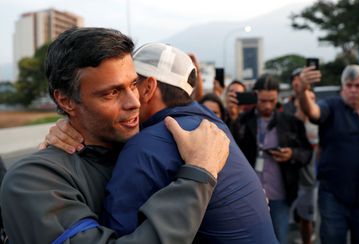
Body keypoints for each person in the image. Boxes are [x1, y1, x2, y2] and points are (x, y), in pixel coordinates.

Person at [0, 27, 231, 244]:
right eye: (111, 93)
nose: (134, 102)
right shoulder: (32, 181)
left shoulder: (149, 150)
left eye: (133, 85)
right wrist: (199, 175)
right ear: (66, 101)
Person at [47, 42, 278, 243]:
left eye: (130, 84)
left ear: (148, 87)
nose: (127, 97)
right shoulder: (212, 125)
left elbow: (117, 232)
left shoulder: (148, 145)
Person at [231, 74, 313, 244]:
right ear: (255, 96)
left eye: (272, 100)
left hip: (279, 194)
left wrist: (292, 154)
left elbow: (306, 153)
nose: (267, 105)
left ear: (278, 97)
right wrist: (232, 114)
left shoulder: (291, 122)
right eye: (262, 101)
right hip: (249, 194)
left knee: (278, 238)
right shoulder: (242, 121)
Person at [298, 65, 359, 244]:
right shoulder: (332, 106)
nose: (353, 90)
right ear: (342, 86)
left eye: (358, 85)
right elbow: (313, 112)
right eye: (348, 85)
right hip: (334, 195)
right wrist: (303, 89)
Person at [284, 69, 318, 244]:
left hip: (308, 170)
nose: (297, 83)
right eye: (295, 80)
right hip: (290, 168)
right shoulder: (286, 106)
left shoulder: (312, 103)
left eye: (301, 80)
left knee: (306, 216)